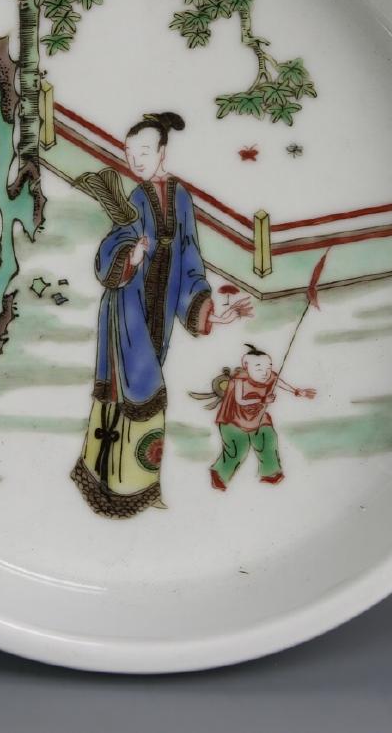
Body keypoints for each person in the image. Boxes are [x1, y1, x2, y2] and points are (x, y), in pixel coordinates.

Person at [71, 112, 252, 518]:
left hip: (161, 313)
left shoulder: (181, 197)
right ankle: (118, 484)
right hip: (125, 312)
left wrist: (208, 312)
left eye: (144, 151)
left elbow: (189, 257)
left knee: (139, 392)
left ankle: (131, 484)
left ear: (162, 152)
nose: (136, 160)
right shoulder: (134, 199)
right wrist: (130, 257)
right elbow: (108, 254)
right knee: (140, 391)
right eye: (129, 152)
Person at [209, 344, 316, 490]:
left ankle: (270, 473)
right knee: (237, 450)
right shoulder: (239, 380)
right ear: (246, 366)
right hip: (233, 420)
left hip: (258, 417)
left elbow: (279, 382)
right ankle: (219, 474)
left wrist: (297, 391)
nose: (265, 372)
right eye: (259, 368)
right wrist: (263, 399)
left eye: (268, 367)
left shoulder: (269, 376)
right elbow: (240, 400)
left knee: (268, 439)